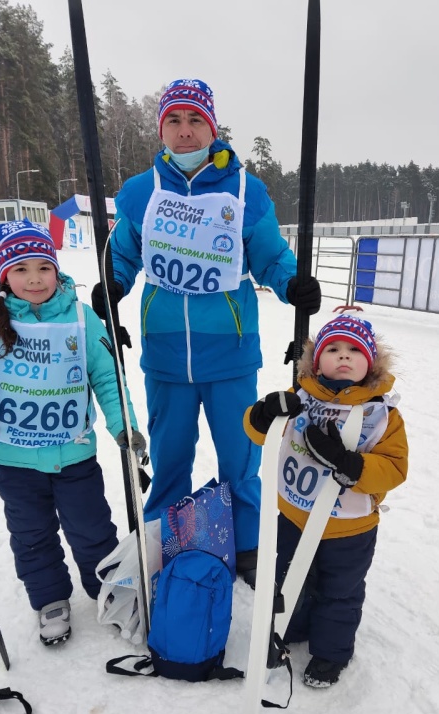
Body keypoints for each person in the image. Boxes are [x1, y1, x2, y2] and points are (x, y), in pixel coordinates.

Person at [91, 78, 321, 585]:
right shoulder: (140, 193)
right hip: (166, 353)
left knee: (239, 458)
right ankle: (162, 543)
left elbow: (269, 256)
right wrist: (113, 283)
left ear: (212, 128)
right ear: (161, 130)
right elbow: (124, 254)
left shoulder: (243, 190)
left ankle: (247, 547)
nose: (185, 131)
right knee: (171, 457)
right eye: (174, 120)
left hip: (230, 353)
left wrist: (292, 283)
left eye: (196, 120)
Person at [0, 219, 146, 646]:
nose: (34, 278)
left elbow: (107, 379)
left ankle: (107, 591)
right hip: (15, 461)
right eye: (21, 268)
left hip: (75, 454)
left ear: (57, 270)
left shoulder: (83, 319)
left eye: (43, 267)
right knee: (32, 536)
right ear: (4, 274)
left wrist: (126, 428)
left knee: (92, 529)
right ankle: (49, 600)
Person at [244, 315, 408, 686]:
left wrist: (353, 465)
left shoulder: (381, 414)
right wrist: (264, 413)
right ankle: (290, 628)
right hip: (294, 516)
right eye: (333, 349)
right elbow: (257, 433)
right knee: (290, 580)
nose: (343, 356)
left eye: (354, 350)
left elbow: (395, 467)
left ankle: (330, 653)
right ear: (317, 362)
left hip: (349, 527)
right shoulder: (301, 398)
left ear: (370, 363)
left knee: (340, 591)